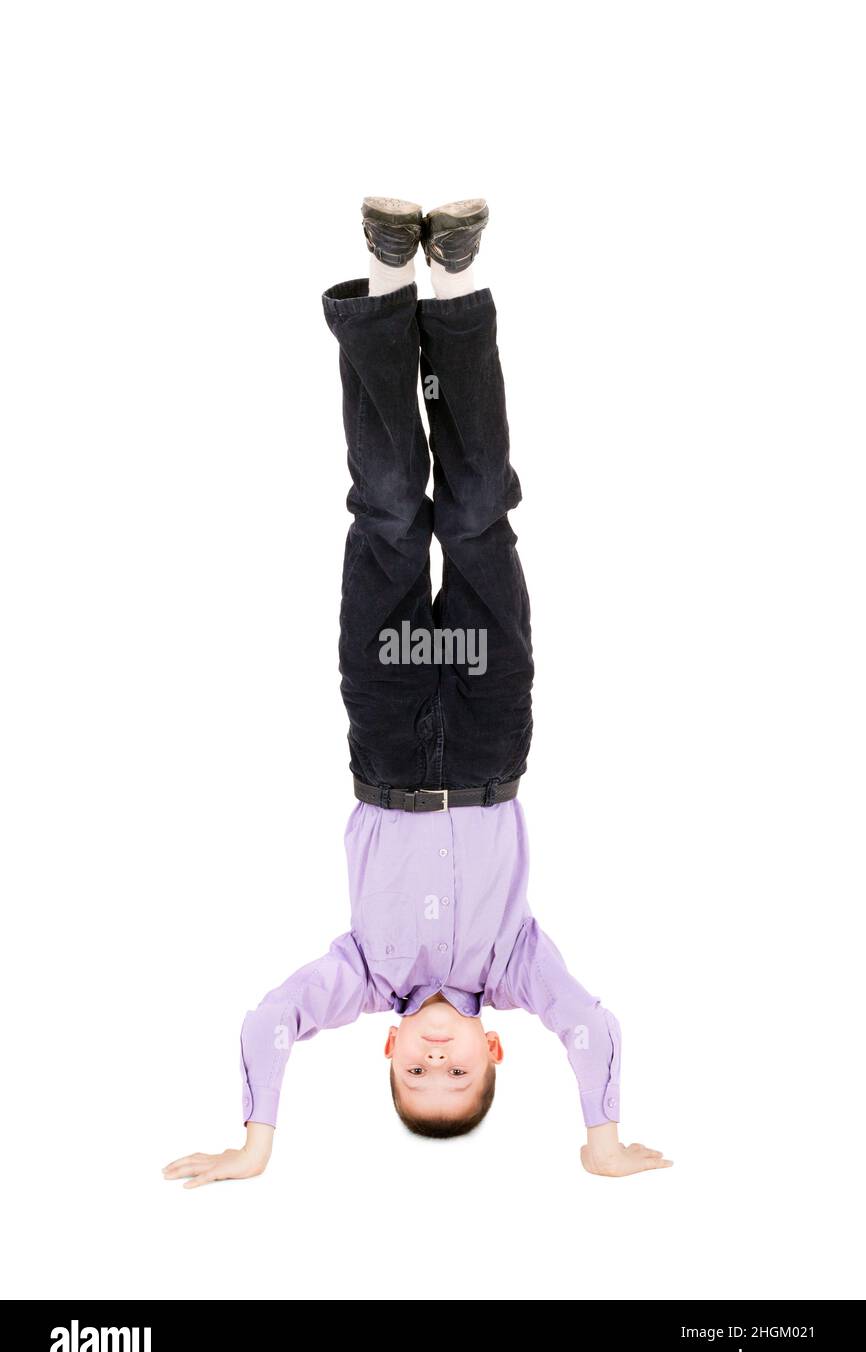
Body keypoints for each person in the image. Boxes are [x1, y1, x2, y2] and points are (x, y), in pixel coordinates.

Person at [163, 197, 673, 1186]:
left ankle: (389, 273)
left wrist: (256, 1141)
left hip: (389, 739)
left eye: (415, 1074)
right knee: (478, 510)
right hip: (488, 735)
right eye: (455, 1074)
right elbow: (590, 1022)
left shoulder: (358, 974)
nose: (434, 1058)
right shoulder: (517, 967)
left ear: (384, 1055)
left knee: (390, 511)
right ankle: (458, 281)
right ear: (491, 1052)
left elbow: (268, 1020)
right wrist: (599, 1135)